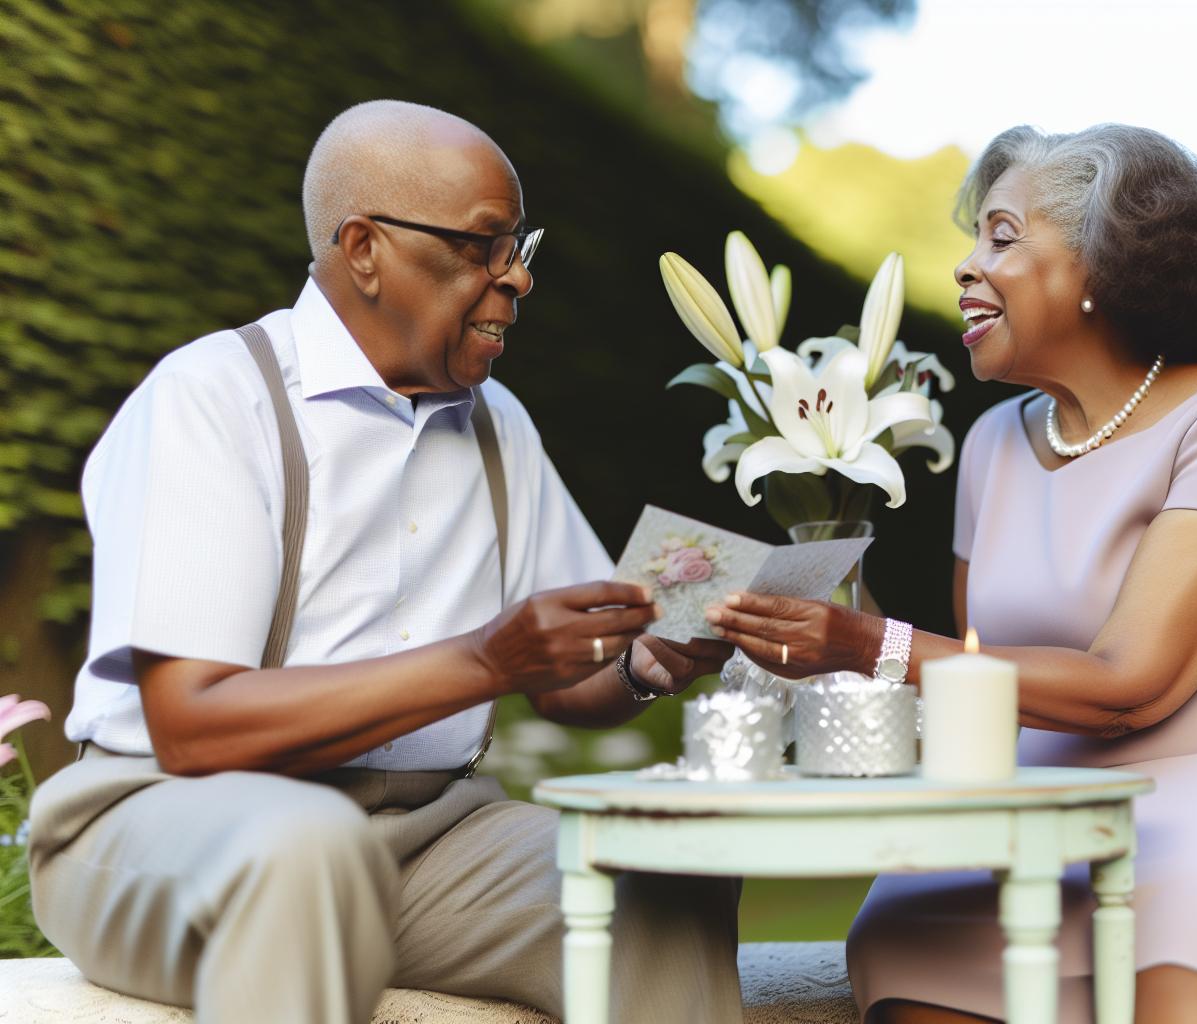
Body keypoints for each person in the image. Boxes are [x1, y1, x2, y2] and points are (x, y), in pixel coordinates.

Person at [706, 123, 1197, 1024]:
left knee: (1190, 940)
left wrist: (867, 643)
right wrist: (819, 620)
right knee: (904, 938)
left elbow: (1126, 686)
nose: (963, 266)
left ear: (1104, 266)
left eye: (1001, 234)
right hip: (1062, 788)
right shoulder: (993, 443)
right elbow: (979, 679)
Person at [28, 100, 742, 1024]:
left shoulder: (500, 426)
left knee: (654, 870)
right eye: (484, 246)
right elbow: (193, 726)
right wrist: (486, 662)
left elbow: (570, 686)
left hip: (427, 840)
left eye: (522, 246)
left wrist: (647, 662)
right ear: (364, 248)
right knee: (306, 847)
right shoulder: (214, 396)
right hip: (166, 819)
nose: (517, 278)